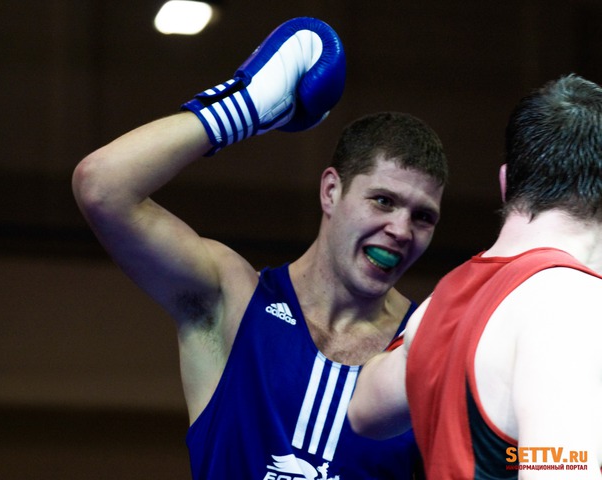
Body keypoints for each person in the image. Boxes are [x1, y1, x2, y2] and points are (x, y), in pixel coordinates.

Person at [73, 17, 448, 480]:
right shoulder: (231, 301)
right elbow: (102, 186)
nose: (401, 230)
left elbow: (524, 458)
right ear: (331, 192)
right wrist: (246, 106)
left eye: (423, 216)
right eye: (383, 201)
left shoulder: (428, 354)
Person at [348, 73, 602, 479]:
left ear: (505, 182)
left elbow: (364, 412)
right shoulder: (571, 303)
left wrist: (418, 343)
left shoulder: (441, 301)